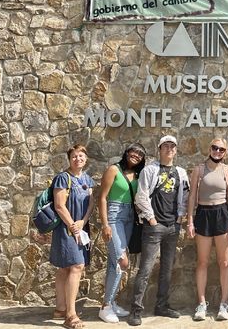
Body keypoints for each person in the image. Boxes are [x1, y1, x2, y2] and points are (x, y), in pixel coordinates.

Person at [128, 135, 189, 326]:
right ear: (159, 149)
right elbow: (141, 196)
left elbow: (185, 196)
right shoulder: (150, 170)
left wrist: (180, 216)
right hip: (154, 227)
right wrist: (152, 219)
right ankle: (136, 310)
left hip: (173, 226)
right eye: (166, 146)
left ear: (176, 150)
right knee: (145, 269)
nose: (169, 149)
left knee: (167, 269)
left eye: (173, 146)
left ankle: (161, 305)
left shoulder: (181, 172)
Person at [187, 138, 228, 322]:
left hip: (222, 214)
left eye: (221, 149)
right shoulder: (199, 170)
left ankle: (224, 304)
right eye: (215, 147)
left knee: (224, 262)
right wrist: (190, 221)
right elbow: (192, 196)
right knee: (202, 262)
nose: (217, 151)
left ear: (225, 152)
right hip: (203, 214)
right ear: (209, 148)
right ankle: (201, 303)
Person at [97, 143, 146, 323]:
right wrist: (105, 224)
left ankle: (110, 302)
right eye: (133, 152)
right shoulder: (113, 169)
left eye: (140, 154)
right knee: (121, 261)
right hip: (114, 215)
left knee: (113, 263)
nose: (136, 156)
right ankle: (105, 308)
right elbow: (102, 197)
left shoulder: (138, 174)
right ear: (126, 152)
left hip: (129, 217)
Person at [51, 144, 95, 329]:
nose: (78, 159)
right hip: (66, 229)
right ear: (69, 159)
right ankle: (71, 315)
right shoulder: (63, 178)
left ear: (86, 159)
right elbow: (59, 205)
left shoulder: (87, 179)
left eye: (81, 156)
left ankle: (60, 308)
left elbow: (91, 204)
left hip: (80, 227)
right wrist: (73, 226)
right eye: (74, 156)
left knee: (65, 269)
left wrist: (82, 223)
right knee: (75, 266)